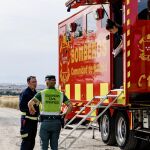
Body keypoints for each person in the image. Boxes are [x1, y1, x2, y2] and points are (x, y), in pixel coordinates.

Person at [28, 75, 73, 150]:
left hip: (44, 123)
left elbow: (30, 103)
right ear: (54, 82)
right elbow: (70, 106)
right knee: (54, 146)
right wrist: (64, 114)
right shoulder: (61, 94)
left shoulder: (42, 93)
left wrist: (33, 110)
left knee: (44, 146)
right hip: (56, 123)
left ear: (46, 82)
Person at [19, 76, 39, 150]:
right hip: (26, 121)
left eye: (36, 81)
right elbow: (21, 107)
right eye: (33, 82)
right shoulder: (25, 93)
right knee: (26, 141)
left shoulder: (36, 93)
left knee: (32, 141)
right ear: (28, 83)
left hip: (34, 121)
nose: (35, 83)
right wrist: (30, 109)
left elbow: (37, 107)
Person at [106, 19, 123, 89]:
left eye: (111, 31)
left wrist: (117, 49)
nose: (111, 32)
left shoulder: (122, 30)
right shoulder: (117, 33)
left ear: (114, 27)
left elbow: (123, 41)